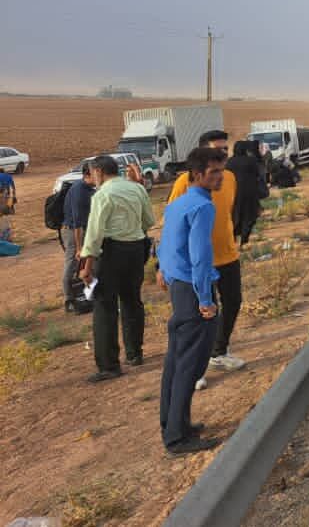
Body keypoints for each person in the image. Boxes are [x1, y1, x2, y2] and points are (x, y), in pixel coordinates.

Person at [157, 147, 225, 456]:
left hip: (178, 286)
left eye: (220, 170)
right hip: (194, 290)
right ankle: (177, 438)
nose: (219, 177)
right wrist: (205, 299)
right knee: (190, 364)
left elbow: (167, 242)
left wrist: (165, 272)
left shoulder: (178, 203)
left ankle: (174, 423)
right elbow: (199, 257)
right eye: (213, 172)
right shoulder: (203, 206)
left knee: (176, 360)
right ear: (197, 175)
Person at [166, 130, 246, 385]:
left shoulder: (230, 178)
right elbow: (173, 220)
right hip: (198, 262)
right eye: (218, 150)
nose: (223, 154)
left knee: (233, 303)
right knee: (203, 314)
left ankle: (219, 352)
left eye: (225, 149)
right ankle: (196, 370)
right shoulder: (184, 183)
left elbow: (229, 213)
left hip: (227, 256)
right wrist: (163, 264)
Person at [79, 155, 154, 382]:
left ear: (99, 172)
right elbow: (148, 221)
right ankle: (135, 353)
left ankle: (109, 366)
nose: (93, 178)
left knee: (104, 307)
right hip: (135, 250)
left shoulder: (103, 195)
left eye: (92, 174)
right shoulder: (137, 189)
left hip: (111, 253)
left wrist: (86, 266)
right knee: (132, 300)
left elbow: (94, 235)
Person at [61, 164, 95, 314]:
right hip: (74, 232)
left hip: (82, 230)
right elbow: (77, 223)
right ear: (89, 174)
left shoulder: (88, 189)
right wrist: (79, 246)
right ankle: (70, 299)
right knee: (73, 264)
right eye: (97, 173)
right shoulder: (79, 190)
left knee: (86, 264)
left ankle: (86, 296)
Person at [226, 141, 267, 247]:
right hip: (250, 193)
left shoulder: (229, 162)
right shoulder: (251, 161)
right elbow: (258, 173)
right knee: (249, 215)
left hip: (234, 193)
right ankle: (244, 240)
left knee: (234, 215)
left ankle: (233, 238)